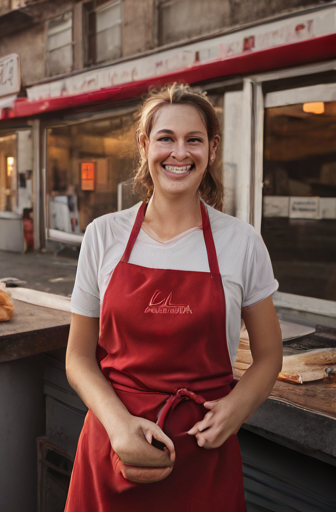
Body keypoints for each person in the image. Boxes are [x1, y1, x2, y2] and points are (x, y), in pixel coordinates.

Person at [65, 83, 283, 511]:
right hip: (112, 445)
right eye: (166, 138)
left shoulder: (242, 242)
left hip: (203, 451)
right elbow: (78, 357)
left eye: (193, 140)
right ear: (146, 146)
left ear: (212, 149)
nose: (179, 152)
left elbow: (270, 355)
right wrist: (119, 425)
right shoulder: (103, 236)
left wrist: (235, 409)